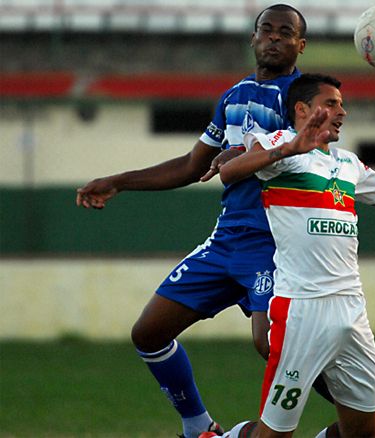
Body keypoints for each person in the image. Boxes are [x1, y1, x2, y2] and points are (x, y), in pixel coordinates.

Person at [76, 5, 333, 438]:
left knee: (270, 343)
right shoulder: (233, 97)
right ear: (253, 39)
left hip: (273, 244)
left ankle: (359, 414)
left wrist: (247, 156)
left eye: (284, 32)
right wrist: (119, 180)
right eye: (265, 30)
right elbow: (194, 165)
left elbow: (310, 151)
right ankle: (199, 428)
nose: (273, 37)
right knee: (149, 332)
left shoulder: (304, 97)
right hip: (226, 240)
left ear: (300, 45)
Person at [213, 73, 375, 438]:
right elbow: (228, 171)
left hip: (351, 310)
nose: (342, 112)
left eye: (342, 104)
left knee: (363, 432)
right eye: (331, 103)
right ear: (302, 110)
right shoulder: (280, 144)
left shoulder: (347, 164)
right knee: (275, 433)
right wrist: (289, 149)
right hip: (301, 310)